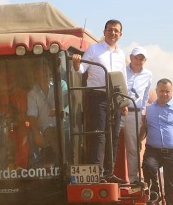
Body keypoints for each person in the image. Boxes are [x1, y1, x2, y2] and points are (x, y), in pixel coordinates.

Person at [71, 19, 127, 183]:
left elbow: (122, 77)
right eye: (110, 30)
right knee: (99, 135)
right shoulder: (94, 49)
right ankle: (97, 173)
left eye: (116, 31)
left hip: (115, 98)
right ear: (104, 32)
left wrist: (123, 102)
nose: (113, 33)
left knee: (114, 135)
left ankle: (110, 172)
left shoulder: (121, 54)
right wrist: (76, 64)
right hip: (97, 96)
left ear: (120, 34)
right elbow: (82, 69)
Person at [120, 46, 153, 183]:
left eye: (141, 59)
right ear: (131, 57)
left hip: (135, 113)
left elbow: (145, 97)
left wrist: (142, 113)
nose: (138, 61)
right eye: (136, 58)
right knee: (110, 144)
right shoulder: (121, 70)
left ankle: (133, 179)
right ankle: (106, 174)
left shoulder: (148, 75)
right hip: (118, 110)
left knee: (133, 148)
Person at [27, 60, 68, 163]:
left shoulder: (61, 85)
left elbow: (68, 103)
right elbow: (32, 116)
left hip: (61, 127)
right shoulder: (32, 94)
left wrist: (60, 111)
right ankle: (36, 168)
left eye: (47, 70)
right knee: (30, 137)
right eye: (42, 71)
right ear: (35, 74)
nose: (46, 73)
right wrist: (36, 133)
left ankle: (63, 163)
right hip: (42, 129)